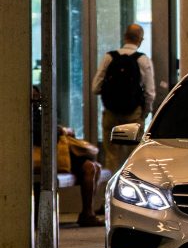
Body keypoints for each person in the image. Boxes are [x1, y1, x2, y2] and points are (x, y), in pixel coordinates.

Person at [32, 86, 103, 226]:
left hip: (55, 152)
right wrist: (61, 130)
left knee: (93, 167)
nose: (36, 98)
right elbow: (39, 131)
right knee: (90, 168)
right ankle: (87, 214)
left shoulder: (38, 111)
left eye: (37, 96)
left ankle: (88, 212)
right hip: (48, 154)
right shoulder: (24, 113)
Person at [92, 23, 155, 171]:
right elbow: (150, 92)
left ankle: (111, 188)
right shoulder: (142, 60)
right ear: (140, 39)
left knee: (111, 155)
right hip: (133, 114)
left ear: (125, 37)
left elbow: (95, 88)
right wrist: (145, 112)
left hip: (111, 113)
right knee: (133, 155)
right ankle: (129, 187)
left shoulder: (109, 57)